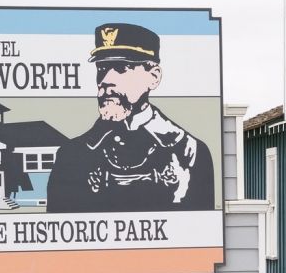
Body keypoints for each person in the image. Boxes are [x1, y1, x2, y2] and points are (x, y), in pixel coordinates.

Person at [46, 23, 215, 213]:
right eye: (101, 68)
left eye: (121, 68)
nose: (105, 80)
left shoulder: (188, 151)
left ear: (154, 76)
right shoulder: (71, 155)